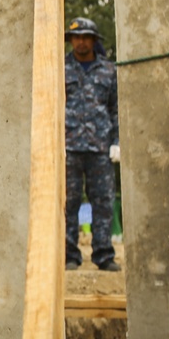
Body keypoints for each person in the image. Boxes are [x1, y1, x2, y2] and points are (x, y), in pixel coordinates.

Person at [63, 17, 121, 272]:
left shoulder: (109, 71)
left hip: (100, 148)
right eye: (77, 37)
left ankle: (104, 254)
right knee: (67, 203)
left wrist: (117, 142)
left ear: (94, 40)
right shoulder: (60, 67)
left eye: (86, 37)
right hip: (69, 147)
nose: (81, 42)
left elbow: (116, 109)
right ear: (71, 40)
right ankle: (68, 255)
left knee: (103, 203)